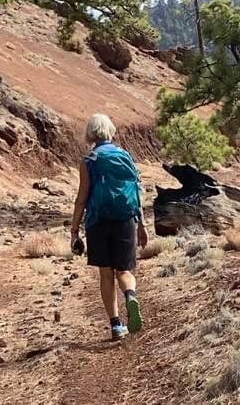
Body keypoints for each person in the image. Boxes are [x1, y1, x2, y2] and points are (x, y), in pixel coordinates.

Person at [69, 113, 148, 341]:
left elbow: (81, 198)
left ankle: (116, 325)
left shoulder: (89, 161)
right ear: (110, 131)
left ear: (90, 134)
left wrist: (75, 230)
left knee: (106, 274)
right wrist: (141, 225)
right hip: (125, 220)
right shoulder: (126, 156)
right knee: (124, 271)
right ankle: (131, 295)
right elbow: (136, 192)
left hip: (98, 222)